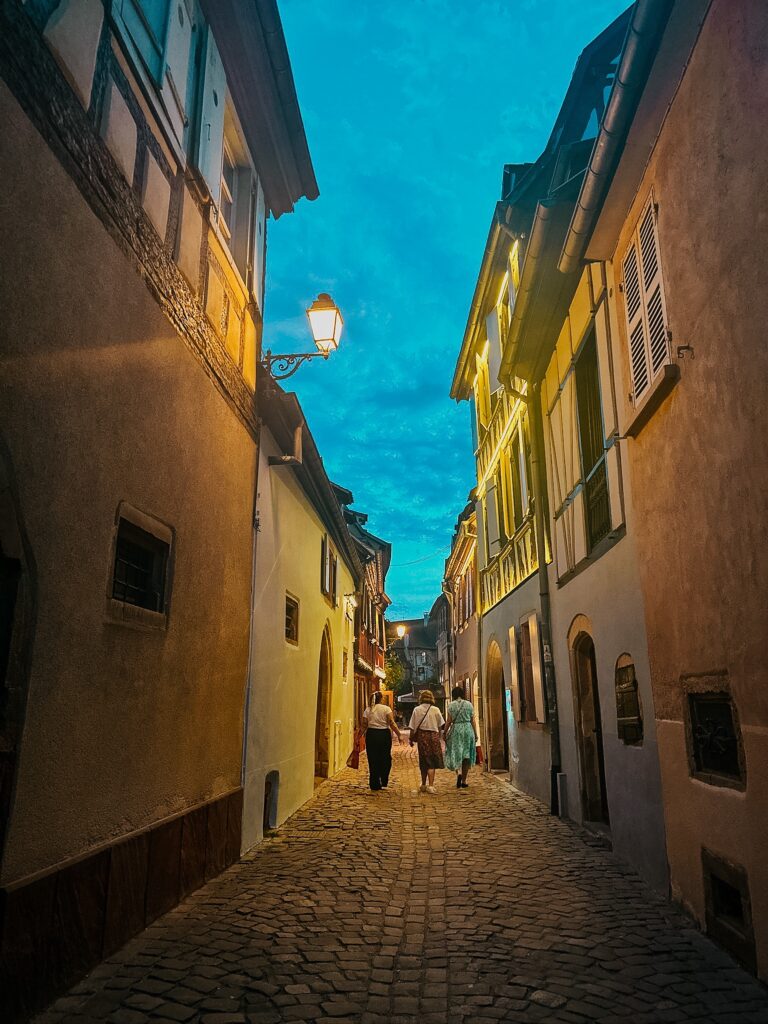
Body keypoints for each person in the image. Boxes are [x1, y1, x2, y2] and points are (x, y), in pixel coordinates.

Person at [363, 692, 401, 791]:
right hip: (384, 734)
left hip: (371, 734)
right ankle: (384, 779)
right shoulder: (386, 709)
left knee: (372, 758)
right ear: (381, 699)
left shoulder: (368, 710)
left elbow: (364, 725)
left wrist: (358, 737)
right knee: (385, 757)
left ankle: (374, 783)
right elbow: (392, 722)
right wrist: (399, 734)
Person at [408, 690, 445, 794]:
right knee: (432, 761)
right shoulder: (436, 710)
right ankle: (431, 785)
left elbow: (412, 727)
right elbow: (440, 725)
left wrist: (411, 739)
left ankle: (423, 784)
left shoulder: (417, 709)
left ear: (421, 698)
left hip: (422, 736)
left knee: (424, 760)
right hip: (433, 736)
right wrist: (439, 737)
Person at [444, 684, 479, 789]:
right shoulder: (469, 704)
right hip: (468, 729)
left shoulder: (451, 705)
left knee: (455, 752)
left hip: (456, 729)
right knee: (466, 755)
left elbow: (449, 721)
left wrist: (445, 732)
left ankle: (458, 772)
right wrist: (475, 733)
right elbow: (473, 720)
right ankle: (464, 780)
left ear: (453, 695)